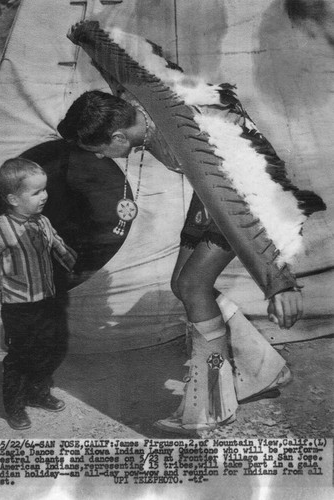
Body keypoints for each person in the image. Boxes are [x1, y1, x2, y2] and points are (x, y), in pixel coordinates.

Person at [57, 89, 325, 435]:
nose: (98, 158)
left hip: (246, 198)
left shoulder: (187, 141)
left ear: (119, 137)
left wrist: (279, 280)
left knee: (192, 285)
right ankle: (262, 369)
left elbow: (254, 196)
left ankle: (211, 405)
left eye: (99, 150)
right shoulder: (134, 106)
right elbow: (124, 74)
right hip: (212, 191)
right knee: (181, 284)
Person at [0, 158, 77, 430]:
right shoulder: (0, 228)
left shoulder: (42, 221)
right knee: (21, 356)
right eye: (36, 192)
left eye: (44, 189)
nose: (44, 196)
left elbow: (57, 244)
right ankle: (15, 406)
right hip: (19, 308)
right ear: (13, 198)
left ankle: (38, 393)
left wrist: (70, 262)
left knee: (48, 348)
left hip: (46, 300)